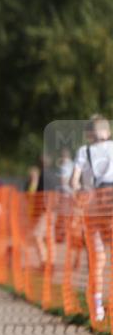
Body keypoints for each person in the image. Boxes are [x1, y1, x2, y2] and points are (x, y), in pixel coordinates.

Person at [70, 115, 113, 323]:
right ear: (107, 133)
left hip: (93, 205)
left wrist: (80, 194)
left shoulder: (83, 151)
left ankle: (97, 310)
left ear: (89, 135)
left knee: (97, 259)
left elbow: (73, 181)